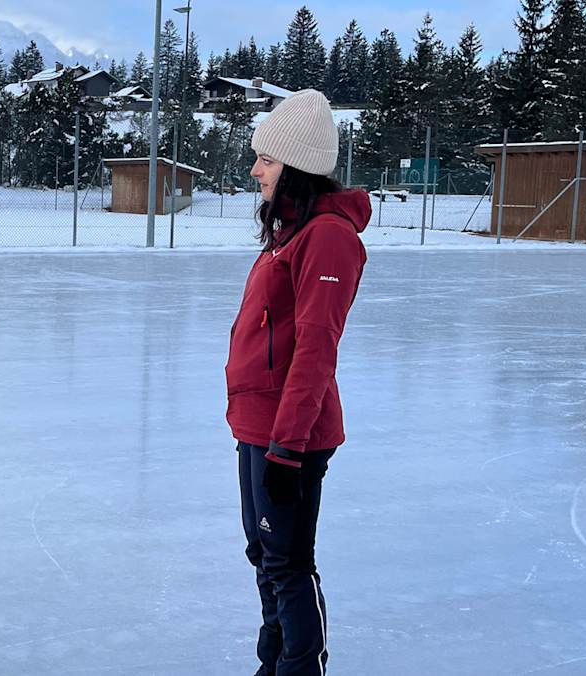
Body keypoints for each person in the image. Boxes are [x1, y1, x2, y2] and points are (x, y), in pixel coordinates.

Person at [225, 89, 369, 676]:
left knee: (287, 561)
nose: (255, 170)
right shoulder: (290, 229)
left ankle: (300, 668)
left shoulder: (327, 237)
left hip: (293, 436)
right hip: (257, 425)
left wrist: (286, 448)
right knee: (264, 553)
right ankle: (276, 661)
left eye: (265, 159)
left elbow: (315, 349)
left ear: (296, 166)